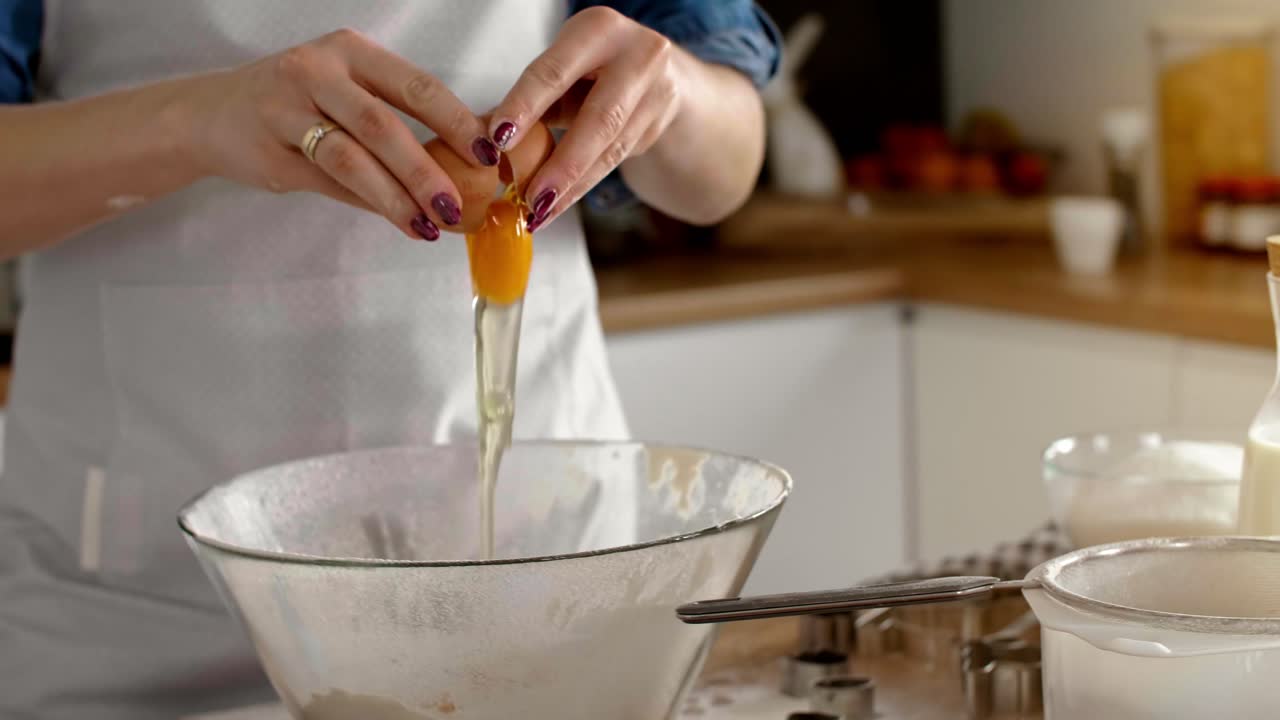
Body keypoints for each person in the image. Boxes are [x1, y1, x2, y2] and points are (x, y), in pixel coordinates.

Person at [0, 1, 778, 718]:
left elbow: (726, 164)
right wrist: (192, 121)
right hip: (147, 624)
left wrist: (670, 90)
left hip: (538, 584)